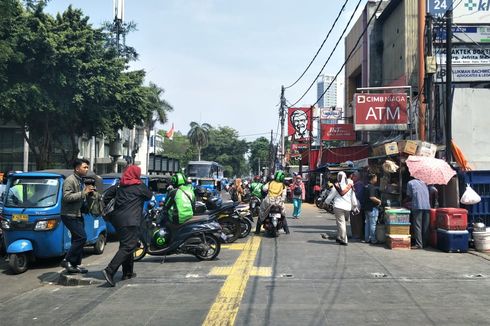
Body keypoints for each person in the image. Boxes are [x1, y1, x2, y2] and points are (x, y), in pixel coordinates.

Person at [102, 165, 152, 287]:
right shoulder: (139, 186)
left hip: (117, 220)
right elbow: (149, 196)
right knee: (129, 246)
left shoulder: (119, 185)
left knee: (128, 244)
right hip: (131, 220)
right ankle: (109, 270)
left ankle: (127, 272)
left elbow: (106, 196)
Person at [60, 158, 93, 274]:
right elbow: (67, 197)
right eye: (85, 167)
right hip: (69, 214)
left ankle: (74, 265)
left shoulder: (81, 180)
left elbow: (81, 196)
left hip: (78, 214)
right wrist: (84, 193)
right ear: (77, 168)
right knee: (81, 237)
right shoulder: (70, 180)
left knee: (77, 239)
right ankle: (66, 260)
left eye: (87, 167)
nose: (87, 169)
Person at [324, 171, 356, 246]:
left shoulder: (336, 186)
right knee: (342, 222)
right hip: (347, 207)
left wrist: (326, 203)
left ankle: (344, 239)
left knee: (341, 223)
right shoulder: (350, 186)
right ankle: (339, 237)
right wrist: (354, 206)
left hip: (338, 207)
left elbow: (330, 196)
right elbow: (353, 196)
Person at [407, 177, 431, 249]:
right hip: (427, 206)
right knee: (426, 226)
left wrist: (404, 201)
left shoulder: (410, 183)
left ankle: (419, 244)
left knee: (418, 225)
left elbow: (409, 195)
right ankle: (425, 243)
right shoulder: (425, 182)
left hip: (417, 205)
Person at [363, 173, 381, 244]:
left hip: (367, 207)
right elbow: (372, 197)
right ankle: (373, 239)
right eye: (376, 178)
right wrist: (379, 201)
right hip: (372, 208)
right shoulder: (371, 187)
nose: (376, 179)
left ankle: (367, 239)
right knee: (373, 224)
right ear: (372, 178)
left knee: (367, 223)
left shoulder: (366, 186)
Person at [350, 171, 364, 241]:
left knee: (356, 221)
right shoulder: (355, 184)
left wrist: (353, 192)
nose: (353, 177)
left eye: (354, 176)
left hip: (357, 206)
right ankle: (355, 234)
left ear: (358, 177)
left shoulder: (359, 184)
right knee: (354, 220)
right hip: (354, 205)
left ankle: (357, 235)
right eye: (353, 176)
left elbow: (358, 195)